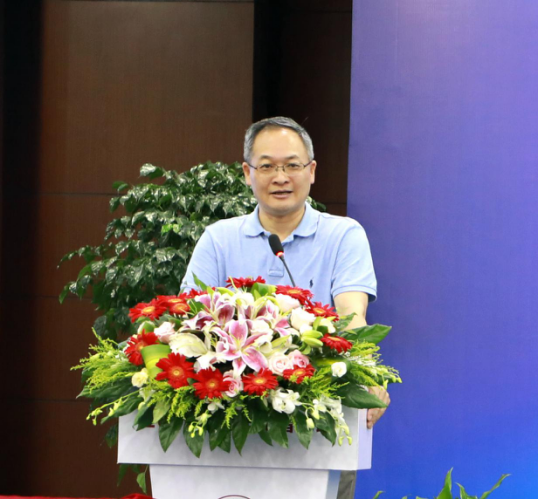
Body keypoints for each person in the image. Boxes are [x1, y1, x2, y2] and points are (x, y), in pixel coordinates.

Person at [181, 117, 391, 497]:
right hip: (231, 421)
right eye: (267, 166)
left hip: (317, 419)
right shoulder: (218, 239)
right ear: (247, 173)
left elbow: (352, 316)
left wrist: (368, 373)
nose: (281, 177)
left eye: (292, 165)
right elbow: (188, 321)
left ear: (312, 171)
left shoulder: (343, 235)